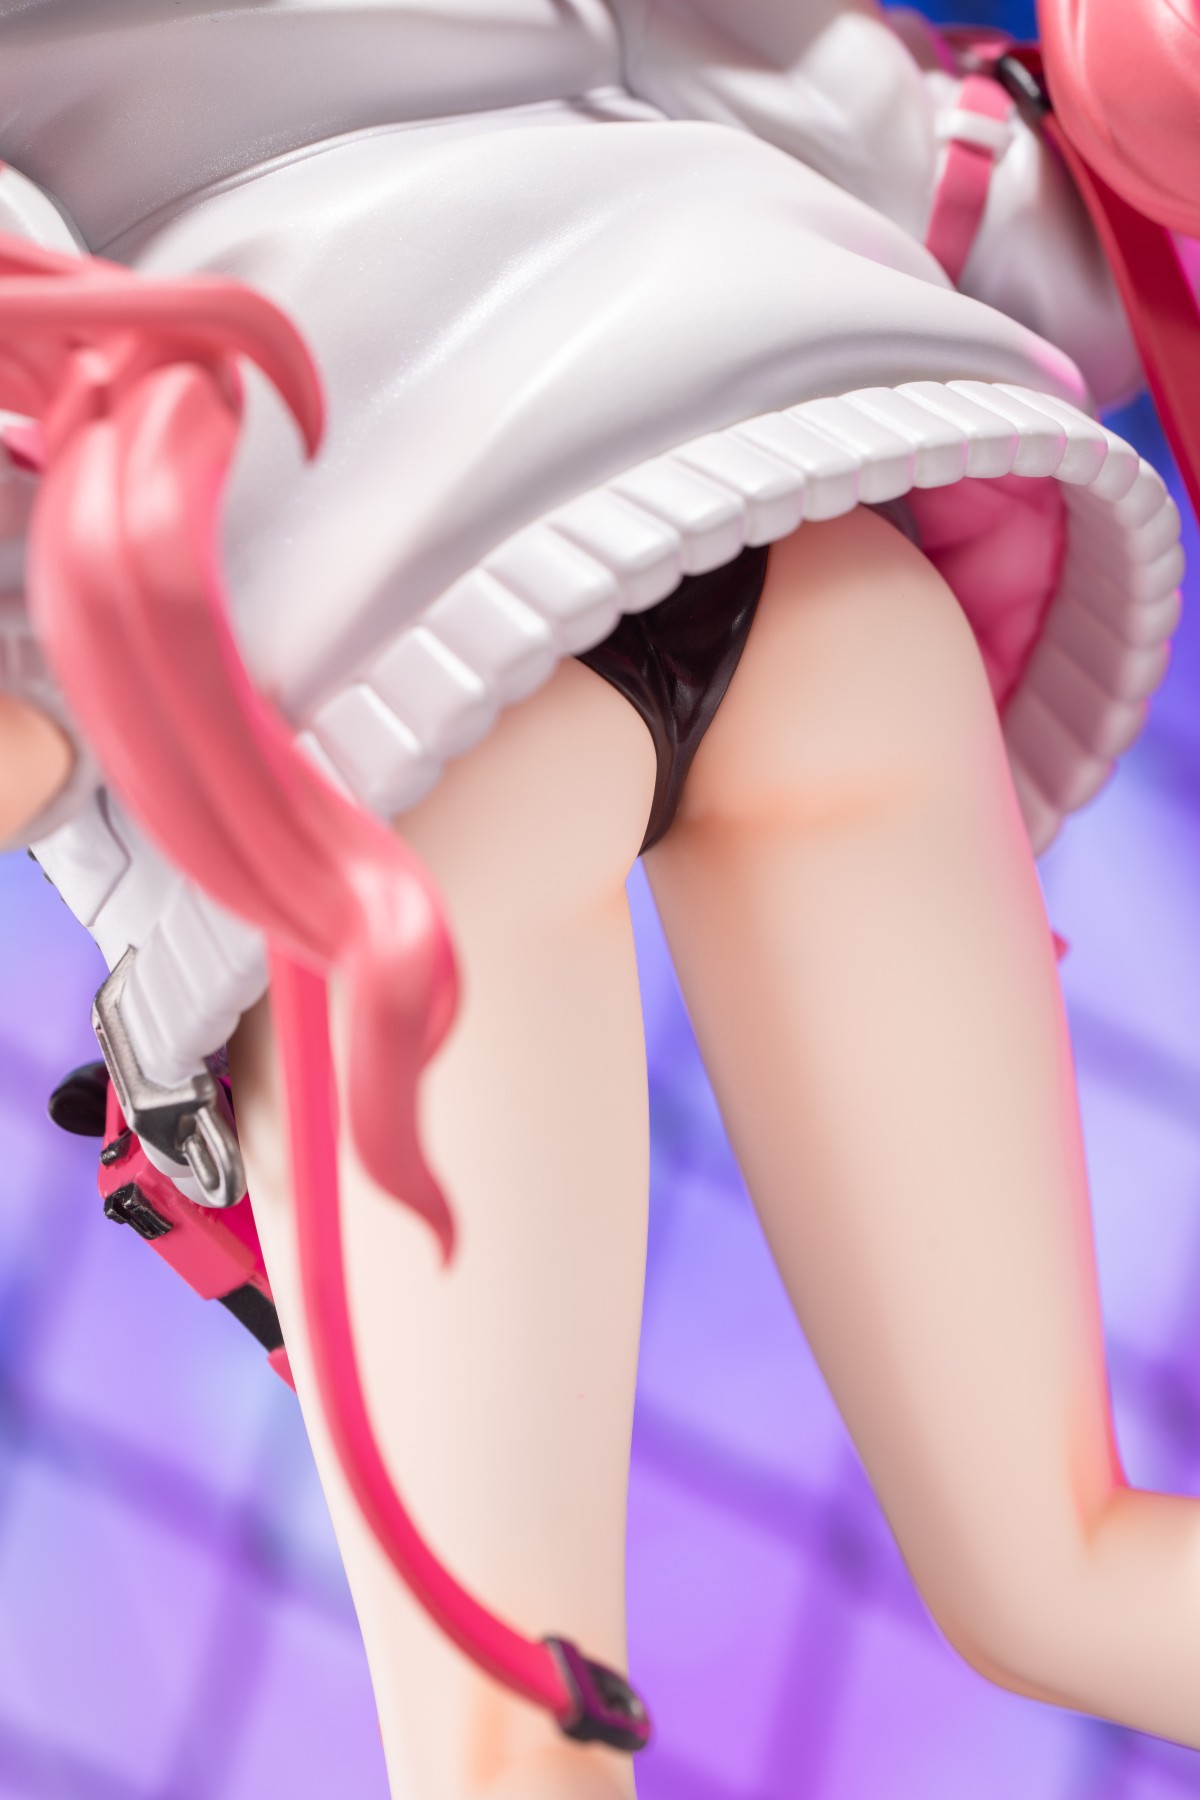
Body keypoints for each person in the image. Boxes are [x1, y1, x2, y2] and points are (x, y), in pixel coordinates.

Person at [0, 3, 1195, 1794]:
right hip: (802, 540)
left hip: (400, 706)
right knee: (1064, 1566)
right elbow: (881, 134)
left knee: (518, 1747)